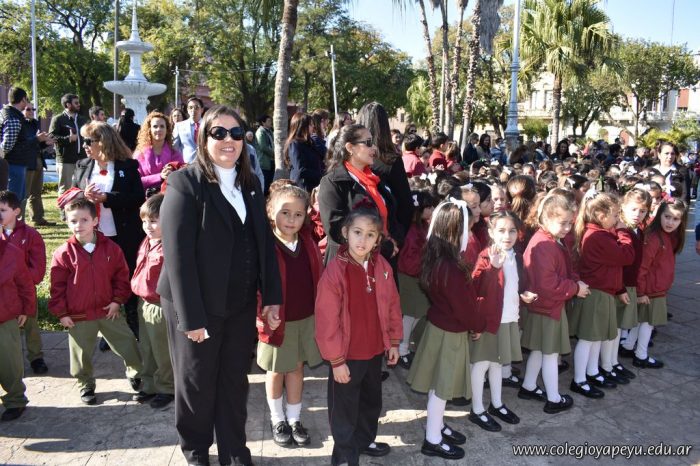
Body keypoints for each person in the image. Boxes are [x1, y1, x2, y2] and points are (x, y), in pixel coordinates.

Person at [157, 104, 282, 466]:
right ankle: (197, 453)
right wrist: (191, 318)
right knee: (196, 382)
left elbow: (263, 243)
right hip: (195, 303)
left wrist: (272, 296)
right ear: (203, 137)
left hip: (238, 303)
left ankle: (235, 450)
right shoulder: (184, 184)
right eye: (219, 133)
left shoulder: (251, 184)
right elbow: (178, 257)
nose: (229, 140)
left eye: (236, 133)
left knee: (234, 380)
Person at [315, 206, 402, 466]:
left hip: (374, 350)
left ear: (378, 239)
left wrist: (393, 341)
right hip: (347, 354)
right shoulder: (335, 272)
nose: (363, 240)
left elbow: (393, 305)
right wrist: (336, 360)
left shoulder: (382, 266)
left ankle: (364, 440)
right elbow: (327, 320)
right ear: (345, 233)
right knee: (344, 406)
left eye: (370, 235)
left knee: (370, 401)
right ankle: (344, 452)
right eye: (357, 232)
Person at [406, 199, 483, 460]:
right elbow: (464, 306)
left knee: (437, 385)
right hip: (450, 333)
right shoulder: (452, 267)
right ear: (455, 231)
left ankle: (437, 425)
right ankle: (432, 439)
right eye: (466, 228)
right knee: (441, 388)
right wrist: (478, 325)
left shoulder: (435, 258)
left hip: (438, 327)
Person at [49, 198, 143, 405]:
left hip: (109, 310)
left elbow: (121, 277)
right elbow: (57, 287)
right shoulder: (63, 253)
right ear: (67, 222)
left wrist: (117, 301)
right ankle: (85, 383)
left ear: (95, 221)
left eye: (84, 220)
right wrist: (62, 313)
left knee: (127, 344)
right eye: (73, 221)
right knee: (80, 354)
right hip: (79, 314)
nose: (78, 225)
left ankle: (136, 374)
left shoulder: (111, 248)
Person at [257, 184, 323, 448]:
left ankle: (294, 418)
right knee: (276, 371)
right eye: (285, 213)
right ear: (270, 211)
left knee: (296, 369)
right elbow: (255, 287)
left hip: (305, 320)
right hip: (277, 322)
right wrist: (263, 313)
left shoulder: (308, 243)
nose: (291, 220)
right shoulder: (265, 247)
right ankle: (277, 419)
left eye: (298, 214)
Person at [74, 121, 146, 338]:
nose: (85, 145)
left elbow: (137, 198)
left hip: (123, 233)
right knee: (102, 281)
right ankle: (109, 331)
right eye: (84, 140)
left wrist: (107, 198)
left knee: (127, 276)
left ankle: (134, 324)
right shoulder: (82, 165)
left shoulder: (127, 166)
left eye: (89, 141)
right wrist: (83, 196)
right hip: (94, 236)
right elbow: (73, 195)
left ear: (103, 141)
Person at [520, 193, 587, 414]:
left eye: (570, 223)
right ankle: (554, 398)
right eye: (563, 223)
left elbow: (561, 271)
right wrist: (575, 288)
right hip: (547, 308)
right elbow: (547, 284)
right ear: (546, 219)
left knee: (540, 350)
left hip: (545, 307)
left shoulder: (550, 239)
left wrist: (574, 281)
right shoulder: (544, 245)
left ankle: (529, 386)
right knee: (550, 354)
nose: (568, 228)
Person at [470, 211, 536, 432]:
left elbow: (517, 285)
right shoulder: (486, 256)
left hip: (509, 318)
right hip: (490, 321)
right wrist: (493, 267)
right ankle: (477, 409)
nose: (507, 236)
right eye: (501, 230)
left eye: (512, 231)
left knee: (498, 362)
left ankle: (496, 404)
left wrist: (524, 294)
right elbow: (477, 288)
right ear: (491, 232)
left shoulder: (516, 256)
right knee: (481, 364)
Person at [569, 190, 635, 399]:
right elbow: (627, 256)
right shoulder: (597, 236)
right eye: (615, 215)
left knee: (595, 338)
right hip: (596, 293)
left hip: (602, 292)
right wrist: (623, 232)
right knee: (588, 339)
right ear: (600, 214)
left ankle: (592, 372)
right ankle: (579, 380)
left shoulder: (600, 234)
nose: (617, 219)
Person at [317, 124, 403, 265]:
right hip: (348, 263)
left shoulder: (374, 179)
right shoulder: (333, 182)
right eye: (368, 143)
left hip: (381, 260)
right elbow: (335, 227)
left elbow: (391, 215)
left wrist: (394, 239)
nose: (374, 148)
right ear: (350, 148)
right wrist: (380, 245)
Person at [623, 200, 687, 369]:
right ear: (660, 215)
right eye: (667, 217)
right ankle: (641, 355)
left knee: (642, 321)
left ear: (682, 221)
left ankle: (628, 346)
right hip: (651, 289)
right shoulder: (654, 237)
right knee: (648, 323)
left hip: (654, 287)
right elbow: (643, 266)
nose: (670, 222)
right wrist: (641, 292)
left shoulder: (666, 236)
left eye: (676, 219)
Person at [130, 193, 174, 409]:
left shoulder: (170, 246)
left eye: (154, 221)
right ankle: (149, 384)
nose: (148, 226)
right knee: (147, 347)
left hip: (159, 305)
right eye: (145, 221)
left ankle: (167, 387)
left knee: (162, 350)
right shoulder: (148, 241)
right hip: (143, 301)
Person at [0, 190, 48, 375]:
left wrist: (25, 280)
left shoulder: (30, 234)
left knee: (30, 324)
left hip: (24, 289)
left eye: (3, 210)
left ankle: (36, 357)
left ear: (16, 211)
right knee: (8, 326)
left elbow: (38, 266)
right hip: (4, 292)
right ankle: (10, 359)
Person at [355, 102, 413, 237]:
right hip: (380, 232)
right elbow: (406, 204)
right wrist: (398, 236)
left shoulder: (354, 159)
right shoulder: (391, 160)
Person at [614, 187, 651, 380]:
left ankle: (612, 362)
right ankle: (609, 363)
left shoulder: (638, 231)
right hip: (619, 285)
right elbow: (618, 263)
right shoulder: (621, 230)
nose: (638, 214)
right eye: (634, 209)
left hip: (630, 284)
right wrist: (620, 287)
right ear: (623, 207)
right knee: (615, 327)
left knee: (620, 326)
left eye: (642, 211)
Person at [396, 191, 436, 369]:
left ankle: (403, 347)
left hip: (416, 276)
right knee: (410, 315)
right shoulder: (413, 231)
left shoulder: (421, 227)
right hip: (410, 277)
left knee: (414, 314)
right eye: (429, 207)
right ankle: (401, 350)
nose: (432, 210)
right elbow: (410, 260)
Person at [0, 229, 35, 421]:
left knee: (9, 363)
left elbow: (25, 283)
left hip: (4, 317)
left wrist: (26, 309)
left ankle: (15, 400)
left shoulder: (11, 252)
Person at [1, 87, 49, 202]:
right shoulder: (13, 118)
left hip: (14, 163)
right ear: (23, 99)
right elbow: (7, 146)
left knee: (16, 198)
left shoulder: (8, 114)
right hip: (13, 164)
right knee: (12, 200)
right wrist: (36, 139)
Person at [48, 93, 87, 199]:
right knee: (66, 189)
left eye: (78, 102)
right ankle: (64, 210)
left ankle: (79, 209)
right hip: (66, 160)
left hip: (82, 159)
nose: (79, 105)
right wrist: (68, 139)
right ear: (68, 105)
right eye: (76, 103)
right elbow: (51, 137)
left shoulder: (82, 119)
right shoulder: (58, 119)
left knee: (82, 188)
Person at [21, 104, 55, 226]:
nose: (31, 111)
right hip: (27, 162)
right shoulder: (20, 124)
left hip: (38, 160)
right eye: (28, 109)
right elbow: (23, 144)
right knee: (24, 194)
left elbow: (37, 144)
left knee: (36, 192)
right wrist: (37, 138)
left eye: (33, 109)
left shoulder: (35, 123)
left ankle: (38, 218)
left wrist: (46, 143)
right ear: (21, 110)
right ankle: (20, 221)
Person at [133, 111, 184, 191]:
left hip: (170, 195)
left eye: (162, 126)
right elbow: (135, 181)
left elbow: (182, 179)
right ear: (149, 130)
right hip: (145, 197)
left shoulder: (176, 154)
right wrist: (160, 176)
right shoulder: (139, 155)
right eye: (155, 126)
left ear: (167, 130)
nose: (159, 129)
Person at [285, 112, 323, 192]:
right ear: (302, 127)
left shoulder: (310, 142)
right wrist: (320, 175)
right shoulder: (295, 144)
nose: (313, 126)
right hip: (303, 187)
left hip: (314, 184)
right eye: (310, 124)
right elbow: (300, 170)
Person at [173, 97, 204, 163]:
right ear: (187, 110)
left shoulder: (208, 125)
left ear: (202, 110)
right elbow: (175, 147)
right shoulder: (179, 126)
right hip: (186, 164)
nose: (193, 110)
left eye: (196, 107)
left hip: (205, 163)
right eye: (190, 107)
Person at [255, 114, 275, 191]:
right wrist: (274, 154)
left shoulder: (269, 131)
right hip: (264, 162)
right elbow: (263, 147)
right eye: (269, 121)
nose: (271, 122)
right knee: (265, 184)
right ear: (263, 122)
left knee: (270, 182)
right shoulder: (260, 132)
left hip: (271, 161)